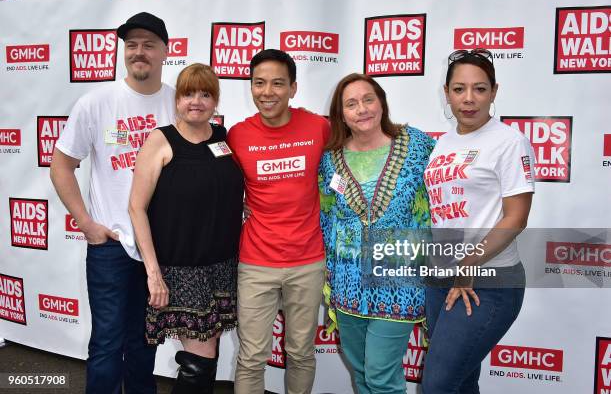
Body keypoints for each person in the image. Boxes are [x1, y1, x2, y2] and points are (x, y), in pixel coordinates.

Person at [50, 12, 173, 393]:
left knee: (145, 341)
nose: (139, 52)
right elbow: (61, 166)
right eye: (131, 45)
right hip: (113, 246)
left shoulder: (179, 103)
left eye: (149, 44)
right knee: (106, 344)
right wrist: (86, 224)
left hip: (160, 246)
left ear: (166, 51)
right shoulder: (96, 103)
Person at [421, 49, 535, 394]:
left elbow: (517, 217)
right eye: (459, 89)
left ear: (494, 92)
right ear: (447, 93)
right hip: (441, 277)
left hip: (488, 281)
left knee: (438, 384)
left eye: (479, 89)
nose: (468, 99)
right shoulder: (443, 144)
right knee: (462, 381)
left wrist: (469, 262)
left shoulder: (509, 142)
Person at [128, 63, 243, 393]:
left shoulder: (224, 139)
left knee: (209, 353)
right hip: (182, 270)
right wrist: (153, 273)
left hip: (223, 266)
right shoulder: (161, 140)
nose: (196, 101)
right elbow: (137, 207)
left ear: (215, 101)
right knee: (201, 357)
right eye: (188, 93)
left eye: (205, 94)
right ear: (177, 99)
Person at [318, 73, 435, 393]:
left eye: (368, 99)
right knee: (361, 373)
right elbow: (326, 218)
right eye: (351, 104)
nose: (362, 109)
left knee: (382, 376)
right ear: (341, 115)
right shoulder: (330, 159)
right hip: (346, 285)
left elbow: (439, 204)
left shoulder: (417, 145)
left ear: (382, 102)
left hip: (399, 281)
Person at [226, 49, 330, 394]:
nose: (267, 92)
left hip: (308, 260)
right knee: (252, 356)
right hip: (256, 262)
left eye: (277, 83)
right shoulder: (237, 136)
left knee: (301, 353)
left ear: (293, 88)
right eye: (259, 83)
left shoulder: (318, 127)